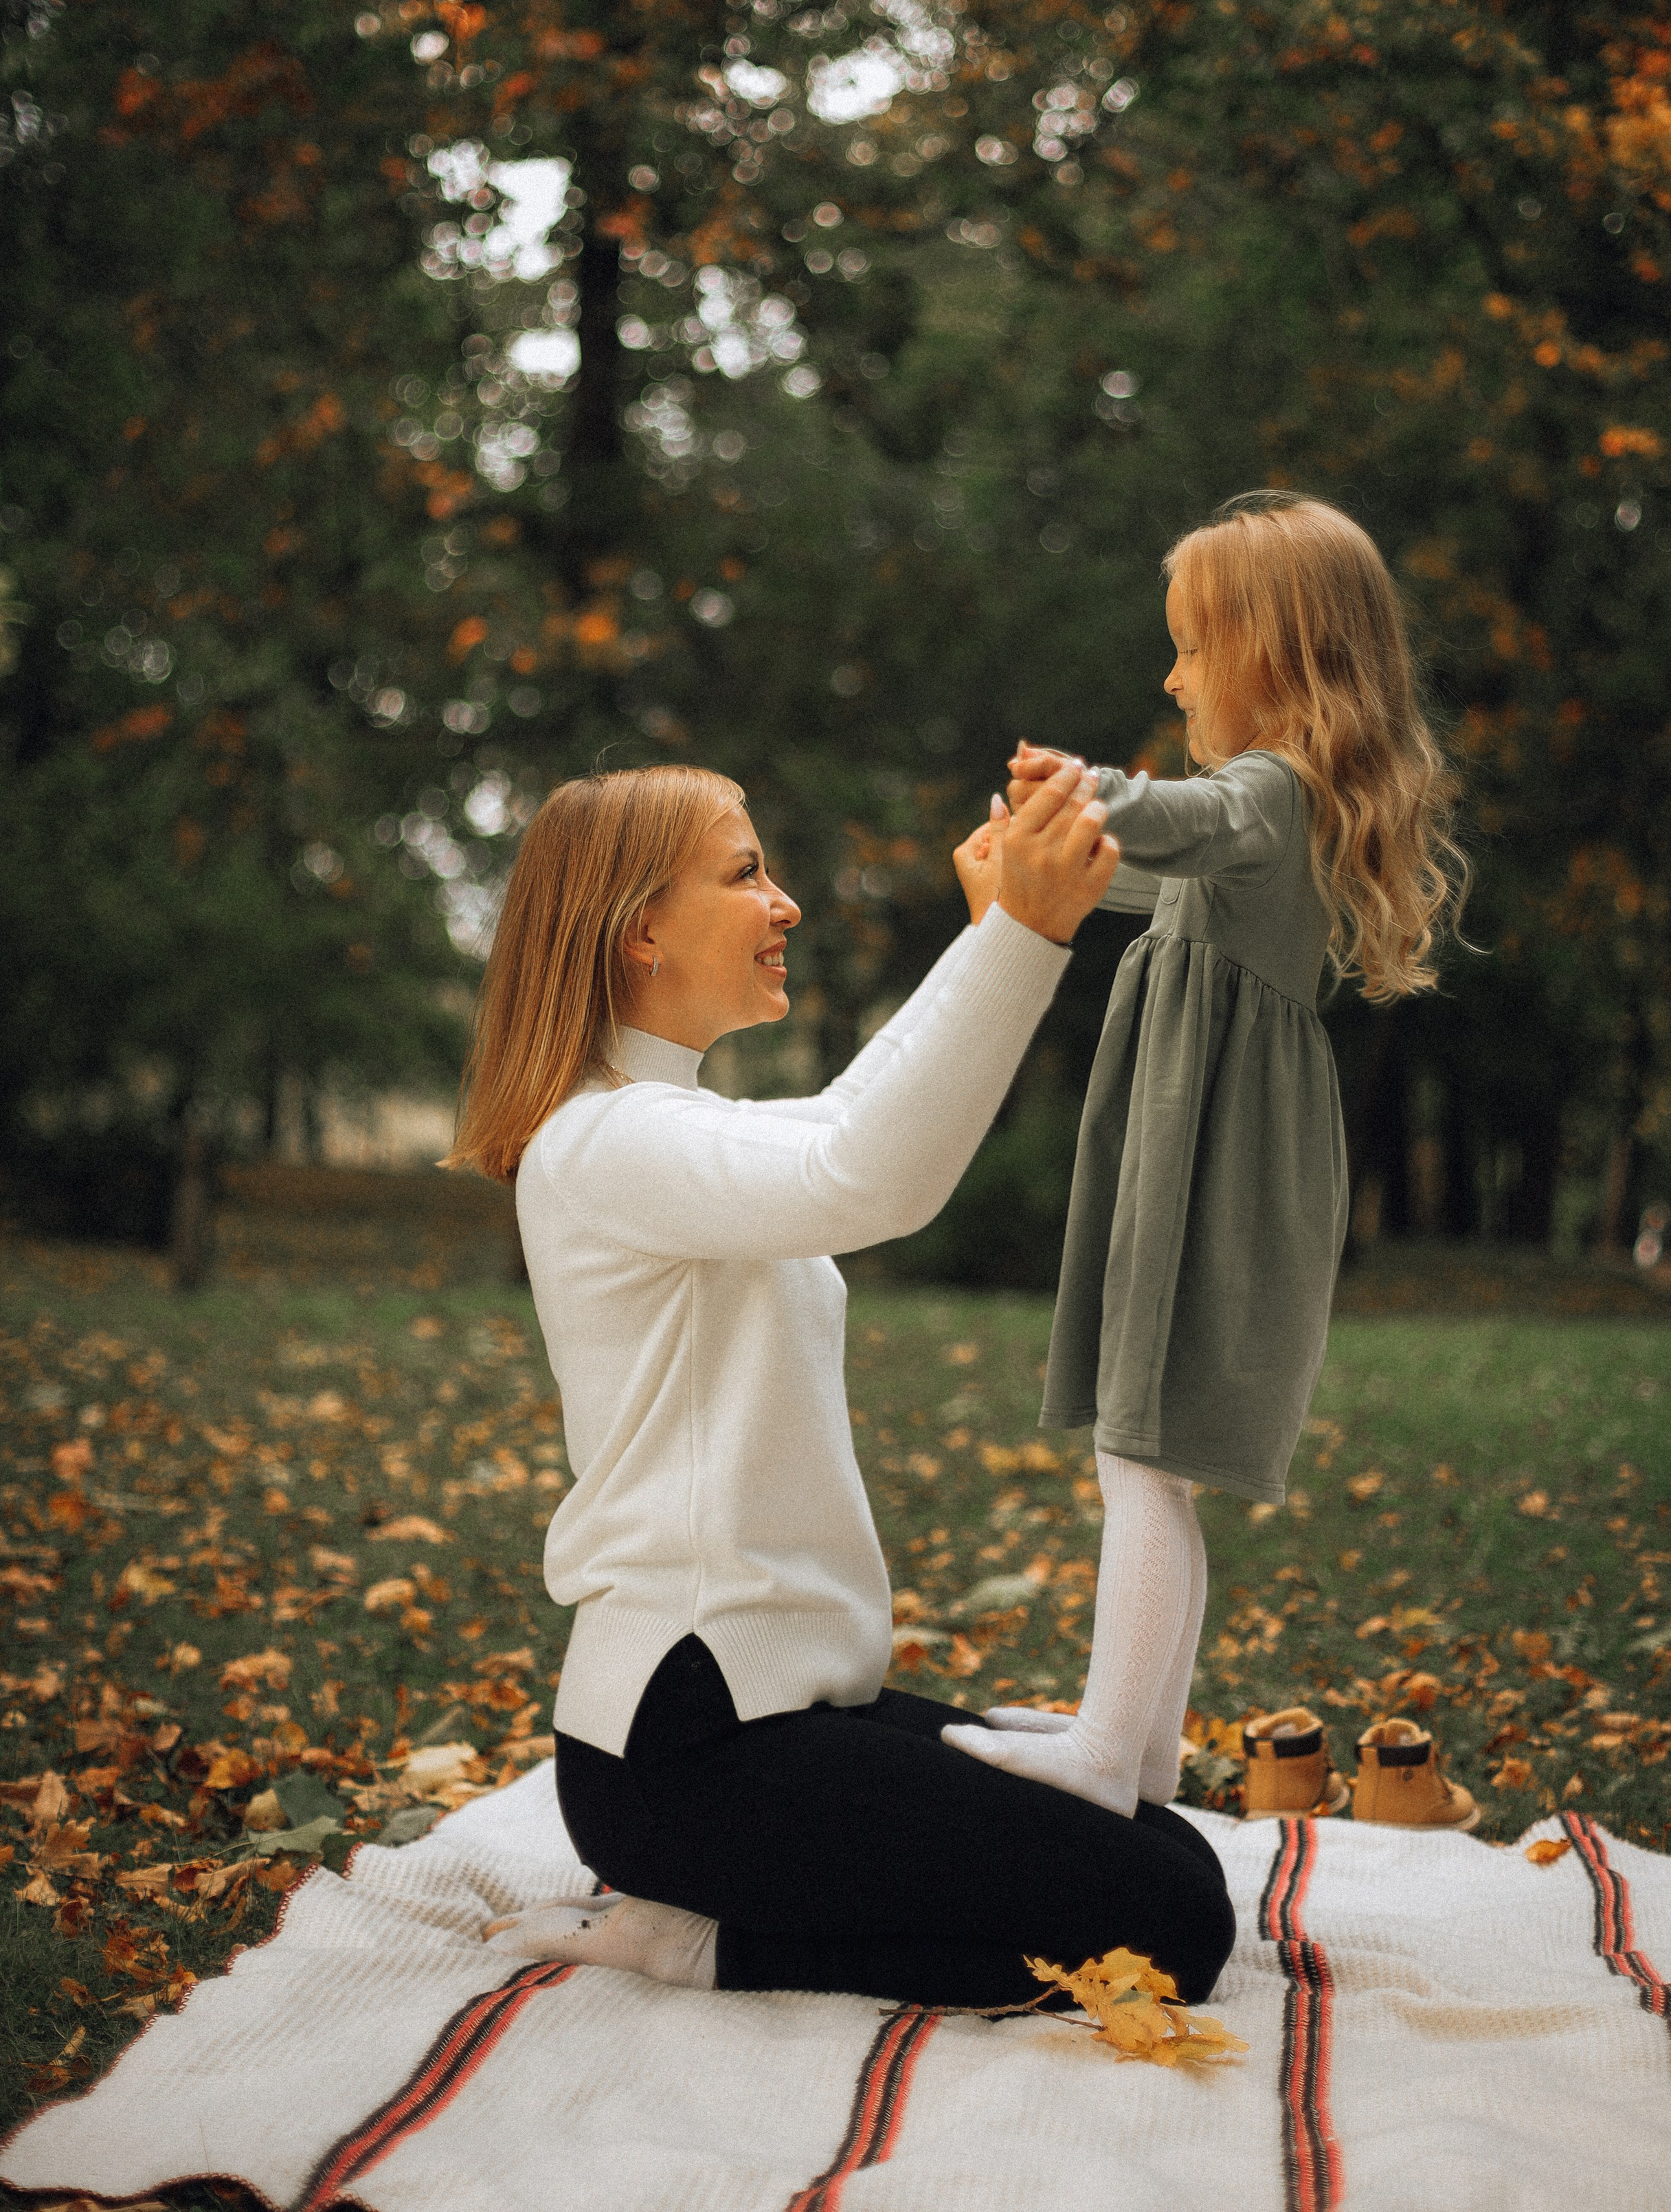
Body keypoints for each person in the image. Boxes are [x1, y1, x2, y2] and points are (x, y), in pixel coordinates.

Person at [442, 760, 1236, 2009]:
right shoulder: (605, 1141)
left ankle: (716, 1909)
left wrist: (992, 938)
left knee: (1163, 1852)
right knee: (1172, 1926)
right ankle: (700, 1943)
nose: (786, 902)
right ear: (638, 927)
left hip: (774, 1712)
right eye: (745, 871)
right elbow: (872, 1176)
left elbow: (851, 1125)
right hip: (692, 1750)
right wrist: (1024, 934)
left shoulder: (662, 1120)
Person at [943, 491, 1469, 1820]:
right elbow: (1126, 874)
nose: (1171, 676)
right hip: (1198, 1156)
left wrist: (1077, 794)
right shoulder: (1259, 818)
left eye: (1190, 647)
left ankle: (1111, 1756)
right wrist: (1031, 860)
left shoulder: (1270, 797)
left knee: (1143, 1458)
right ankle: (1145, 1747)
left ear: (1271, 652)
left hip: (1217, 1172)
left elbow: (1164, 826)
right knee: (1149, 1459)